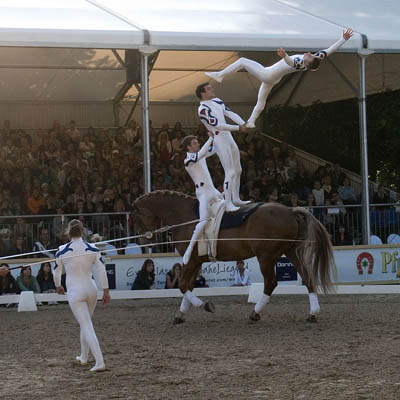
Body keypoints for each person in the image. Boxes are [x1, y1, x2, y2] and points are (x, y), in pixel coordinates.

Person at [206, 28, 354, 127]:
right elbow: (331, 50)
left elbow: (290, 62)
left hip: (268, 74)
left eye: (308, 57)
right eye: (310, 55)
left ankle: (220, 75)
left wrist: (285, 56)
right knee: (261, 99)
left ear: (307, 64)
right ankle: (251, 121)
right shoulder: (317, 57)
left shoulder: (299, 62)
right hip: (273, 77)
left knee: (243, 61)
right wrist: (343, 39)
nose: (309, 54)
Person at [54, 219, 110, 372]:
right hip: (91, 290)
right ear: (82, 231)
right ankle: (84, 357)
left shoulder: (61, 249)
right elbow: (102, 270)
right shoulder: (92, 248)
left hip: (75, 291)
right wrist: (106, 291)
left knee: (86, 325)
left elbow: (57, 271)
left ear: (68, 232)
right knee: (85, 323)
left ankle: (100, 361)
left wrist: (58, 285)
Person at [196, 82, 251, 211]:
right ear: (202, 93)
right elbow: (218, 125)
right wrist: (239, 128)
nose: (212, 90)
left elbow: (230, 113)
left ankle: (236, 198)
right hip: (220, 139)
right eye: (209, 89)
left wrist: (244, 123)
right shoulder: (202, 109)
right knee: (230, 171)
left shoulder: (217, 101)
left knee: (238, 169)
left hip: (228, 137)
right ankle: (227, 203)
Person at [181, 133, 222, 265]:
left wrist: (219, 135)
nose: (197, 144)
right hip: (203, 194)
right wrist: (211, 137)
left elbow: (214, 149)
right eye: (194, 143)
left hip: (213, 191)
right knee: (203, 221)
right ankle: (189, 249)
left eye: (197, 142)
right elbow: (203, 152)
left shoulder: (200, 154)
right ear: (188, 147)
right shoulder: (188, 161)